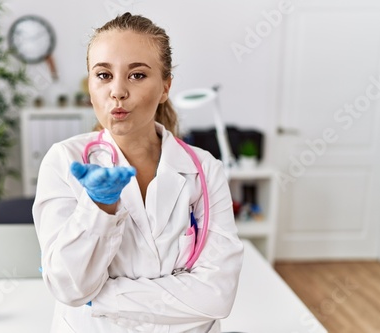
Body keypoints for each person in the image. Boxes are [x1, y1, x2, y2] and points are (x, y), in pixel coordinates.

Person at [33, 12, 243, 333]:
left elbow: (217, 296)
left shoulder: (205, 170)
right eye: (103, 75)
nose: (117, 91)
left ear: (165, 87)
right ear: (90, 85)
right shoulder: (64, 161)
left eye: (137, 75)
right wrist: (99, 208)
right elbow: (70, 288)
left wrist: (101, 301)